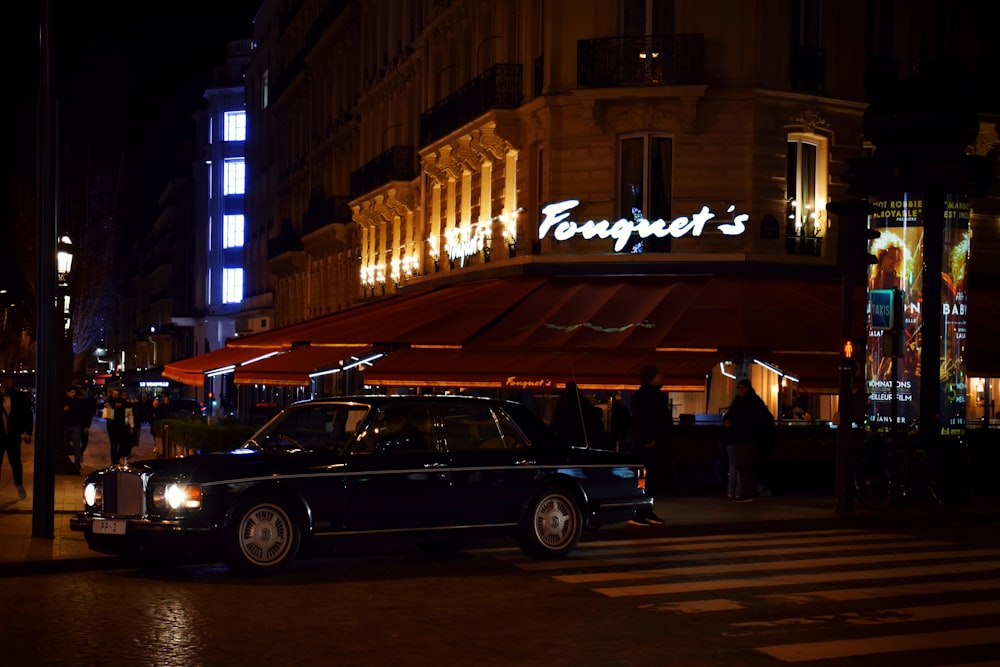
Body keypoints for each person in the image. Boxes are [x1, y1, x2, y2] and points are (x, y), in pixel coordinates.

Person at [627, 365, 671, 526]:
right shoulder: (646, 396)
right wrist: (647, 439)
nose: (661, 376)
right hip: (647, 447)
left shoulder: (648, 395)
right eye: (658, 374)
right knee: (645, 479)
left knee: (649, 479)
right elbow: (641, 420)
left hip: (651, 445)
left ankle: (645, 510)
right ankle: (640, 511)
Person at [723, 379, 772, 502]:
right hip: (744, 438)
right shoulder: (749, 402)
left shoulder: (747, 403)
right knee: (742, 466)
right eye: (739, 388)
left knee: (744, 465)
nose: (740, 390)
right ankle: (746, 491)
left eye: (742, 388)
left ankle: (746, 491)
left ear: (747, 388)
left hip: (746, 438)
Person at [1, 375, 34, 501]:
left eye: (13, 383)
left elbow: (28, 414)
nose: (11, 385)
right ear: (3, 382)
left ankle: (18, 484)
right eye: (9, 382)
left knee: (15, 462)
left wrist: (28, 432)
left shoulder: (19, 397)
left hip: (14, 435)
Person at [551, 382, 606, 448]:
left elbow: (556, 420)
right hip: (579, 436)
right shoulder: (581, 402)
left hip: (567, 437)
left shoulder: (563, 402)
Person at [104, 387, 135, 465]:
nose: (115, 396)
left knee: (123, 444)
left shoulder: (123, 402)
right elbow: (103, 404)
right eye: (114, 394)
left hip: (122, 426)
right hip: (112, 426)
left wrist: (131, 426)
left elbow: (129, 406)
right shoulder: (110, 400)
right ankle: (113, 460)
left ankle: (117, 458)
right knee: (113, 444)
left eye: (117, 394)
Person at [62, 386, 86, 472]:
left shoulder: (77, 402)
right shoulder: (64, 401)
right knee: (64, 443)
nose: (73, 394)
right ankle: (67, 460)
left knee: (76, 444)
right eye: (71, 392)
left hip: (76, 424)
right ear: (67, 393)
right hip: (66, 425)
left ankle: (77, 462)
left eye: (74, 392)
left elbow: (82, 413)